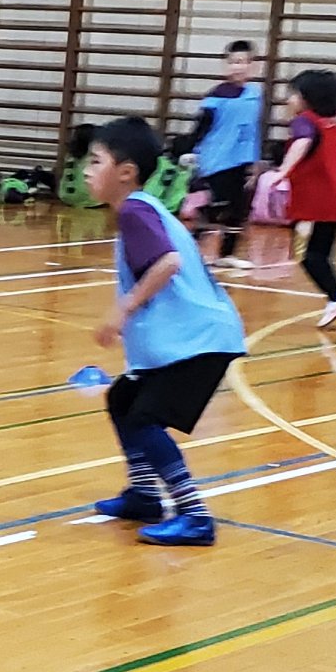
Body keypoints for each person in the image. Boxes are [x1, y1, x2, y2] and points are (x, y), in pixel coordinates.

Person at [83, 117, 248, 547]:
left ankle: (195, 515)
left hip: (203, 341)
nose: (85, 170)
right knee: (123, 399)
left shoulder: (135, 211)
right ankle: (144, 495)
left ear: (126, 172)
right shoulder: (140, 209)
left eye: (95, 161)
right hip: (195, 338)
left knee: (143, 418)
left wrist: (124, 308)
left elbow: (168, 263)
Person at [256, 68, 336, 326]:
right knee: (319, 254)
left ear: (307, 99)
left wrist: (283, 170)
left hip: (316, 205)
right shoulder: (332, 125)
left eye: (293, 94)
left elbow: (302, 143)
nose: (288, 100)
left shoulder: (304, 121)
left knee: (307, 256)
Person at [185, 40, 267, 268]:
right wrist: (190, 150)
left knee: (239, 209)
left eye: (242, 62)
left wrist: (255, 160)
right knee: (216, 208)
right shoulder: (217, 95)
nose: (238, 67)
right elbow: (202, 126)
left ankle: (226, 254)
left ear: (252, 65)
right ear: (226, 65)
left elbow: (253, 130)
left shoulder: (255, 95)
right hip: (217, 158)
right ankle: (188, 249)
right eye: (233, 62)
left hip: (242, 159)